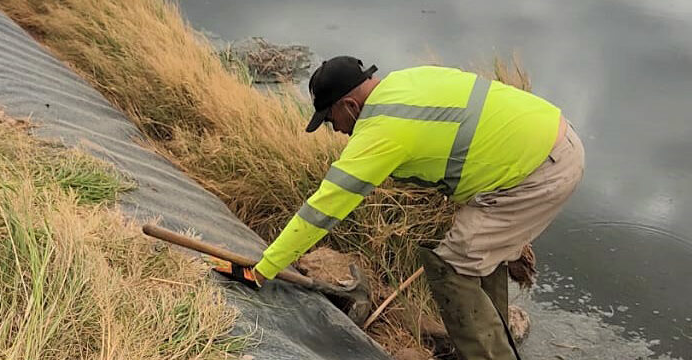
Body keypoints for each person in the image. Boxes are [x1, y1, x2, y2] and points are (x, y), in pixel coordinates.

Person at [224, 56, 584, 360]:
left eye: (331, 120)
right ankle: (489, 345)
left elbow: (322, 210)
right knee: (477, 256)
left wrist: (262, 270)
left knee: (454, 267)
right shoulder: (404, 83)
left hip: (536, 172)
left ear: (350, 105)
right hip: (551, 141)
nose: (335, 130)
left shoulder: (383, 129)